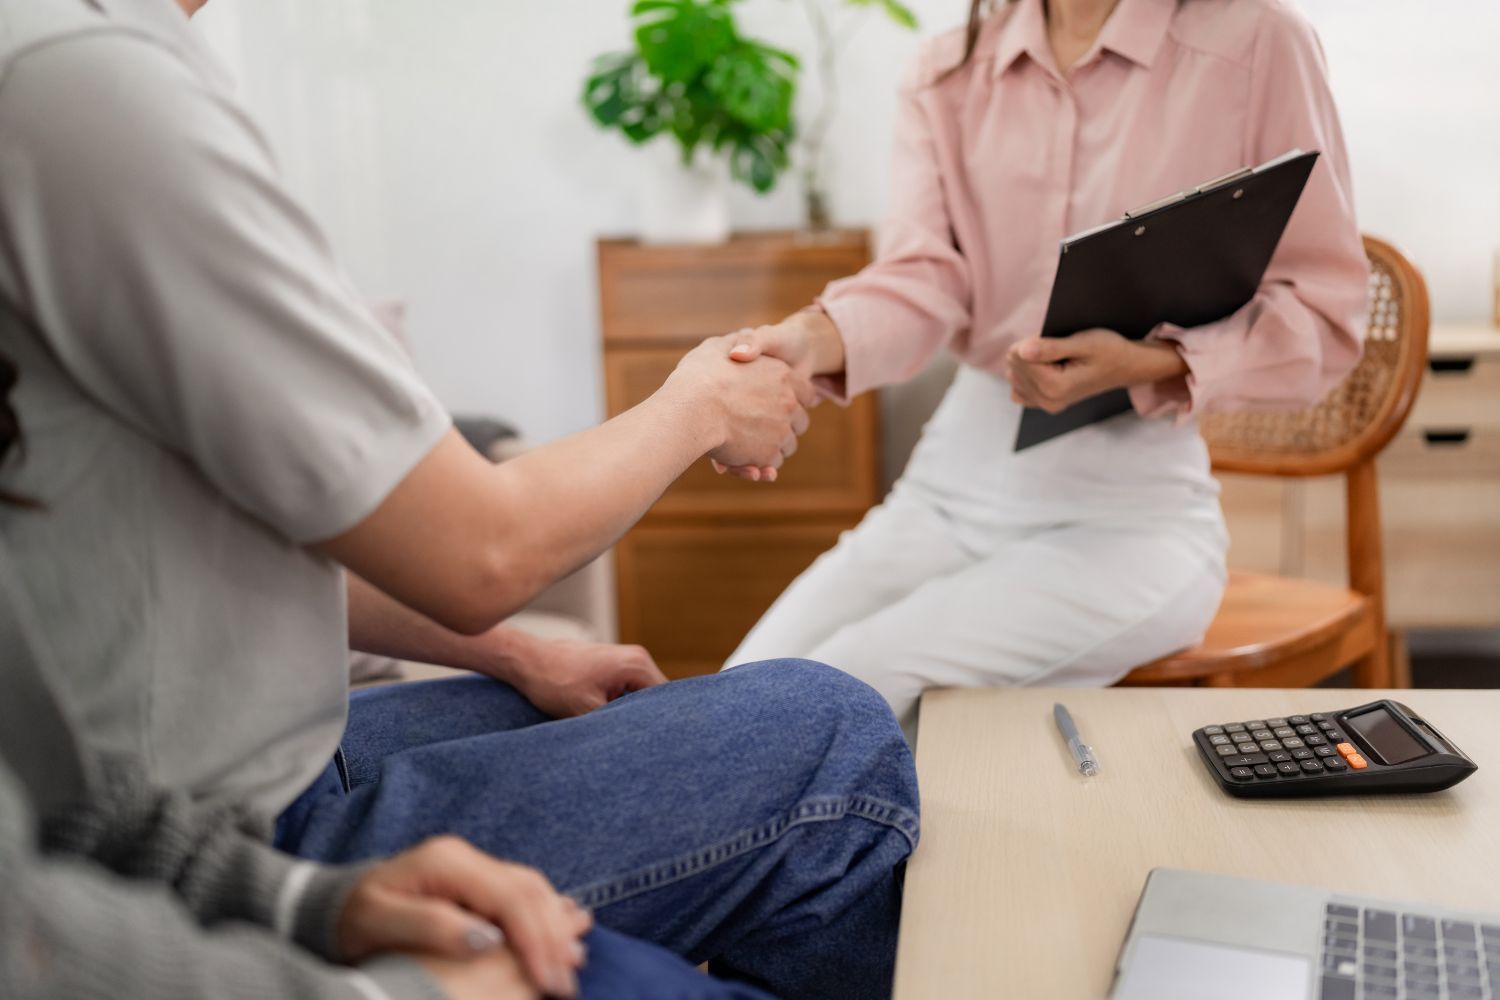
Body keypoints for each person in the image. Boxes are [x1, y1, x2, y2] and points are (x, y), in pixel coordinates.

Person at [0, 0, 918, 997]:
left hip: (270, 756)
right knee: (837, 738)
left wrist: (515, 649)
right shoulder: (87, 86)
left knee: (797, 715)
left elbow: (250, 532)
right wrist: (697, 403)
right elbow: (486, 551)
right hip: (217, 825)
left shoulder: (92, 67)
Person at [722, 0, 1370, 731]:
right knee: (740, 691)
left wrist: (1149, 363)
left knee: (855, 681)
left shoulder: (1256, 43)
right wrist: (815, 337)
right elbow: (925, 278)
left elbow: (1325, 310)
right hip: (946, 488)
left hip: (1130, 516)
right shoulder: (946, 70)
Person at [0, 557, 771, 1000]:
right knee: (823, 726)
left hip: (251, 804)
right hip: (245, 830)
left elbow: (69, 815)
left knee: (807, 716)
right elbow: (486, 545)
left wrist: (313, 901)